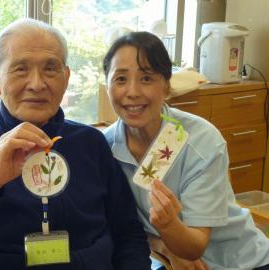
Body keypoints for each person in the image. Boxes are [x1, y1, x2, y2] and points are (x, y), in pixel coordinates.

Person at [0, 19, 152, 270]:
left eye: (50, 68)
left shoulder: (91, 143)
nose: (37, 83)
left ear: (65, 77)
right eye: (20, 69)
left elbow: (128, 234)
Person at [103, 31, 269, 270]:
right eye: (120, 79)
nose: (132, 91)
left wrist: (169, 225)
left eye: (147, 78)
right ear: (107, 85)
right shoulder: (105, 146)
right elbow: (117, 226)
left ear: (167, 87)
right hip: (169, 261)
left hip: (241, 262)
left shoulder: (200, 140)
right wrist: (162, 244)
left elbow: (194, 247)